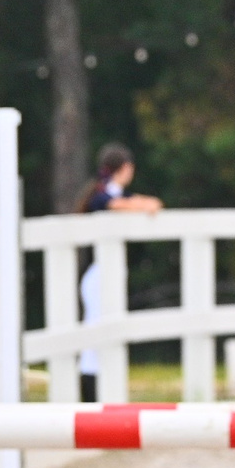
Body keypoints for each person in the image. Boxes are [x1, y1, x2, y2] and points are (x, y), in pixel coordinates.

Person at [75, 144, 161, 400]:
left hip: (107, 273)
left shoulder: (113, 193)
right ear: (125, 168)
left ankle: (102, 393)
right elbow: (110, 204)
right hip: (97, 274)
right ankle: (90, 395)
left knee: (103, 337)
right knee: (95, 338)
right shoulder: (102, 195)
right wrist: (142, 203)